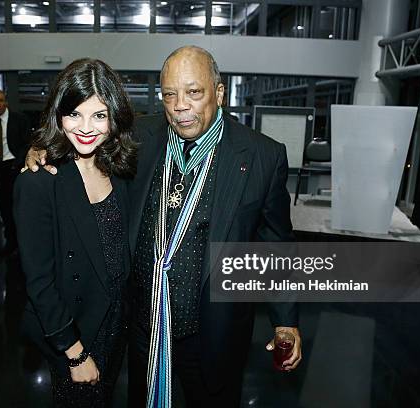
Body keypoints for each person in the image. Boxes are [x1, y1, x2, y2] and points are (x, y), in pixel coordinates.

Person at [25, 46, 302, 407]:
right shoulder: (139, 137)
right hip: (143, 329)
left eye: (193, 92)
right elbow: (80, 133)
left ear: (219, 93)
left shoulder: (262, 155)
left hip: (213, 332)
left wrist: (285, 321)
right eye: (169, 94)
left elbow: (277, 245)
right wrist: (41, 151)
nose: (180, 105)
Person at [13, 58, 137, 407]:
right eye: (75, 114)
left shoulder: (120, 168)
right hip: (75, 333)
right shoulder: (39, 180)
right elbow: (39, 281)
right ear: (58, 114)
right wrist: (76, 354)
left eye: (99, 115)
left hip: (115, 324)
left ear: (115, 118)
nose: (85, 127)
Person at [0, 89, 32, 253]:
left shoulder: (19, 119)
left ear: (5, 102)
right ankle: (10, 240)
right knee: (4, 205)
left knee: (20, 206)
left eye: (0, 100)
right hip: (0, 168)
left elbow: (27, 144)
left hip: (16, 167)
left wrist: (17, 165)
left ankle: (23, 241)